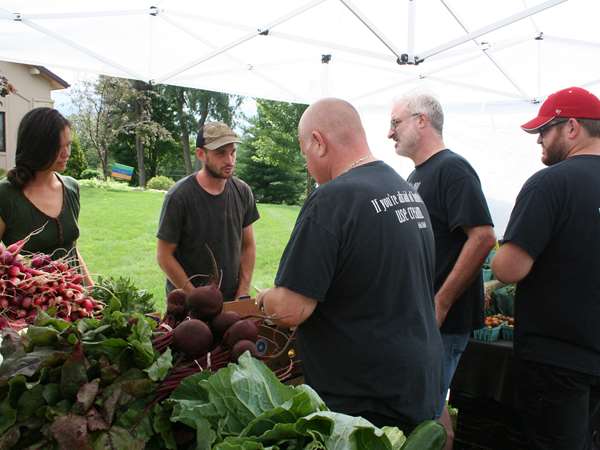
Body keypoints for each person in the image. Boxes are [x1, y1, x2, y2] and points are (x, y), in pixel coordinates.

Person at [257, 98, 443, 434]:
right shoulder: (406, 191)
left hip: (365, 398)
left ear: (318, 141)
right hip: (416, 379)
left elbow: (290, 310)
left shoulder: (332, 199)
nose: (306, 163)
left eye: (304, 151)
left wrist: (266, 298)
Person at [492, 86, 600, 450]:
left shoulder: (550, 183)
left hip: (556, 360)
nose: (538, 139)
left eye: (544, 129)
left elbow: (508, 269)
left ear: (572, 127)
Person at [388, 93, 496, 440]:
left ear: (422, 120)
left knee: (425, 416)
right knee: (431, 410)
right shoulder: (418, 174)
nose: (390, 133)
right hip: (423, 318)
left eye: (395, 123)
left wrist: (441, 301)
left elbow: (482, 237)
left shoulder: (453, 169)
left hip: (444, 322)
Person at [156, 121, 259, 300]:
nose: (229, 160)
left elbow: (248, 246)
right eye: (220, 153)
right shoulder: (179, 197)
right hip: (188, 305)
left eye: (233, 152)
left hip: (231, 300)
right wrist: (197, 297)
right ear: (201, 154)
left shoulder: (242, 191)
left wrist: (242, 292)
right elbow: (164, 256)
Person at [0, 107, 93, 285]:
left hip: (74, 303)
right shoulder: (6, 194)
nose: (67, 153)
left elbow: (71, 249)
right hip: (30, 306)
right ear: (37, 148)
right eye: (58, 148)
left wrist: (93, 291)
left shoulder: (71, 187)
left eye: (69, 144)